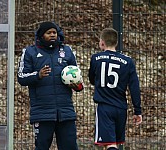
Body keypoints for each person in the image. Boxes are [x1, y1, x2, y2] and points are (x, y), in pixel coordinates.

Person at [17, 21, 83, 150]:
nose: (52, 35)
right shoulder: (30, 52)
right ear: (41, 36)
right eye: (49, 33)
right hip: (42, 112)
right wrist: (38, 75)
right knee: (41, 147)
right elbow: (21, 77)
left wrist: (77, 86)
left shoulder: (67, 51)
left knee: (70, 147)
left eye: (54, 32)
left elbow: (77, 77)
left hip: (65, 112)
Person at [88, 28, 142, 150]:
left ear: (102, 42)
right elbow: (134, 87)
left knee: (110, 144)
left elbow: (92, 80)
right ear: (116, 43)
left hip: (105, 107)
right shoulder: (128, 61)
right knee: (115, 144)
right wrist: (137, 110)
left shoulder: (96, 58)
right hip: (121, 107)